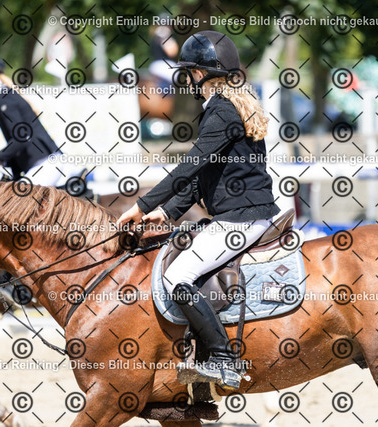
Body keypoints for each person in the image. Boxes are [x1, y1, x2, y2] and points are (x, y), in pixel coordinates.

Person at [117, 31, 280, 390]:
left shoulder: (221, 110)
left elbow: (188, 167)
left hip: (241, 218)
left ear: (201, 73)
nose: (189, 79)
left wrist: (142, 206)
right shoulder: (230, 105)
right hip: (245, 213)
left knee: (178, 276)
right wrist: (168, 213)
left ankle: (223, 358)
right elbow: (203, 176)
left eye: (190, 72)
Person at [0, 50, 75, 185]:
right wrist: (6, 162)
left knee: (19, 197)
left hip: (45, 165)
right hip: (46, 164)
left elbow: (21, 138)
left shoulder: (4, 98)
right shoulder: (4, 96)